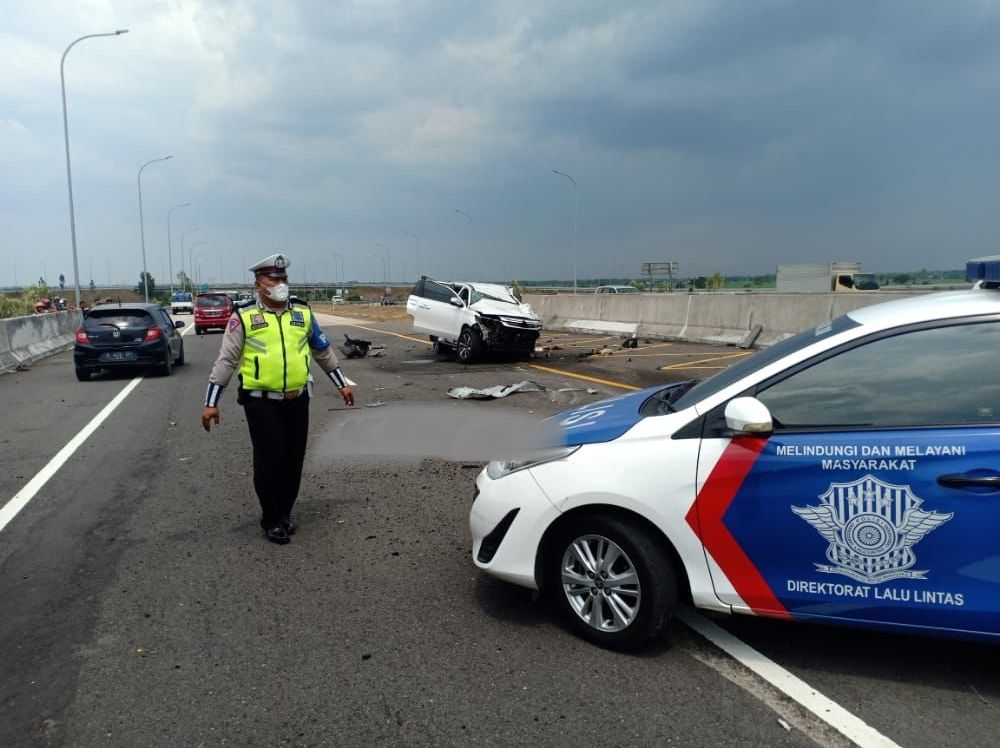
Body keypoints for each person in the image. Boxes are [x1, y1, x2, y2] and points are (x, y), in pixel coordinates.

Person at [201, 253, 355, 544]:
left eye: (284, 279)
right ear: (259, 284)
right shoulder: (244, 316)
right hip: (261, 402)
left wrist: (341, 384)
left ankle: (284, 512)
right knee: (270, 459)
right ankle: (270, 517)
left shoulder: (302, 312)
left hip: (298, 399)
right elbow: (226, 361)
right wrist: (211, 402)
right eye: (274, 279)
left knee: (293, 460)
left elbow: (321, 350)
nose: (281, 284)